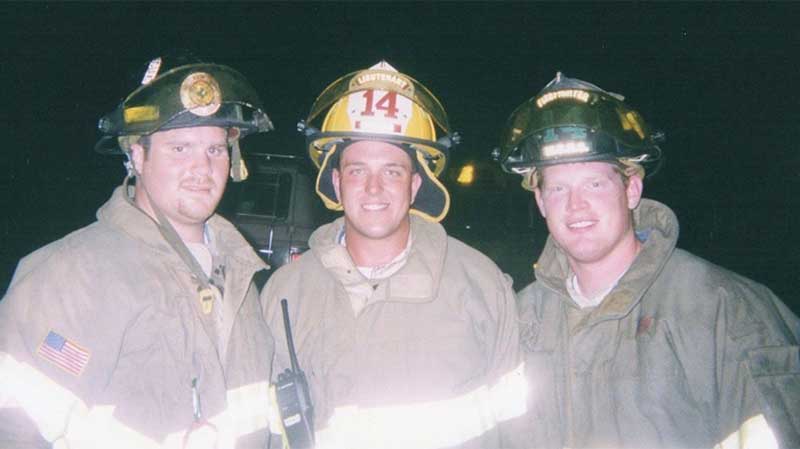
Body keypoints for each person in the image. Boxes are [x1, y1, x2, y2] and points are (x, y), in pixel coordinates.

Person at [496, 72, 800, 448]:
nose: (576, 206)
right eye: (558, 188)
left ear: (631, 189)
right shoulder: (517, 322)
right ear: (541, 201)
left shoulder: (728, 312)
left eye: (595, 183)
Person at [0, 55, 276, 448]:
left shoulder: (242, 279)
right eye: (180, 148)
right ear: (137, 156)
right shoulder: (76, 273)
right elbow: (14, 427)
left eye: (215, 150)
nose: (202, 168)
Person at [262, 61, 527, 449]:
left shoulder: (481, 285)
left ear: (416, 185)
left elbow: (517, 428)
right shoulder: (284, 294)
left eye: (392, 172)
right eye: (356, 171)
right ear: (335, 182)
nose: (373, 189)